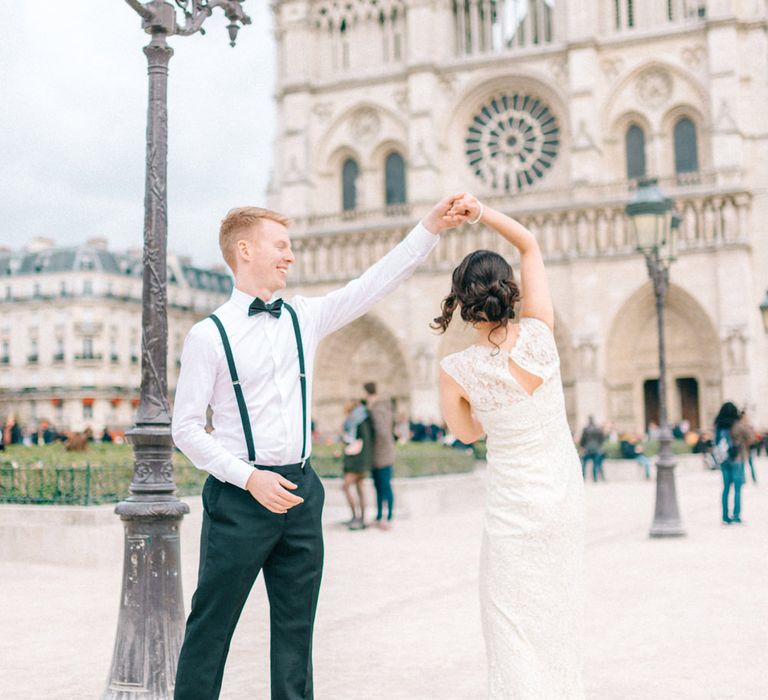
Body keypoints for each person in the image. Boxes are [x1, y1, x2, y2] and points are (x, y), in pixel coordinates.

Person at [171, 196, 467, 700]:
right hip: (240, 498)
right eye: (280, 246)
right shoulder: (208, 335)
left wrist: (429, 228)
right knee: (211, 628)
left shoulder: (303, 317)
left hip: (301, 492)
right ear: (245, 250)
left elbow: (373, 284)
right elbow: (185, 429)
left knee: (296, 633)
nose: (290, 256)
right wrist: (249, 478)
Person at [436, 194, 584, 698]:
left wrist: (488, 409)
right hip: (562, 498)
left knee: (508, 624)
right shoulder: (542, 335)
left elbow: (466, 435)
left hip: (511, 508)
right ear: (509, 289)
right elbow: (529, 242)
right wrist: (479, 212)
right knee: (557, 615)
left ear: (461, 303)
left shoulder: (456, 370)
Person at [364, 381, 396, 529]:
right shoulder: (383, 407)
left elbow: (382, 431)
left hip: (381, 454)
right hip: (380, 453)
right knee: (379, 486)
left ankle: (387, 517)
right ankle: (379, 516)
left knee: (384, 486)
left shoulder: (378, 409)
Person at [713, 402, 752, 524]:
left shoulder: (718, 425)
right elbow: (750, 438)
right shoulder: (737, 424)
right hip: (737, 459)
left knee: (725, 488)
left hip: (724, 459)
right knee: (737, 489)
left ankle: (725, 516)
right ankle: (736, 515)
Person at [341, 398, 373, 530]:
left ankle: (356, 517)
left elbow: (361, 441)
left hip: (357, 461)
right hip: (359, 460)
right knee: (360, 489)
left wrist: (347, 443)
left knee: (346, 487)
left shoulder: (358, 420)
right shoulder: (359, 419)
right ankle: (361, 519)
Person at [579, 416, 606, 481]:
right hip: (596, 448)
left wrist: (582, 446)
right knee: (595, 464)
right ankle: (595, 478)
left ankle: (583, 478)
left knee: (584, 464)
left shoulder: (585, 429)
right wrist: (599, 445)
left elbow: (583, 439)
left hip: (587, 448)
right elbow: (601, 439)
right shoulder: (598, 429)